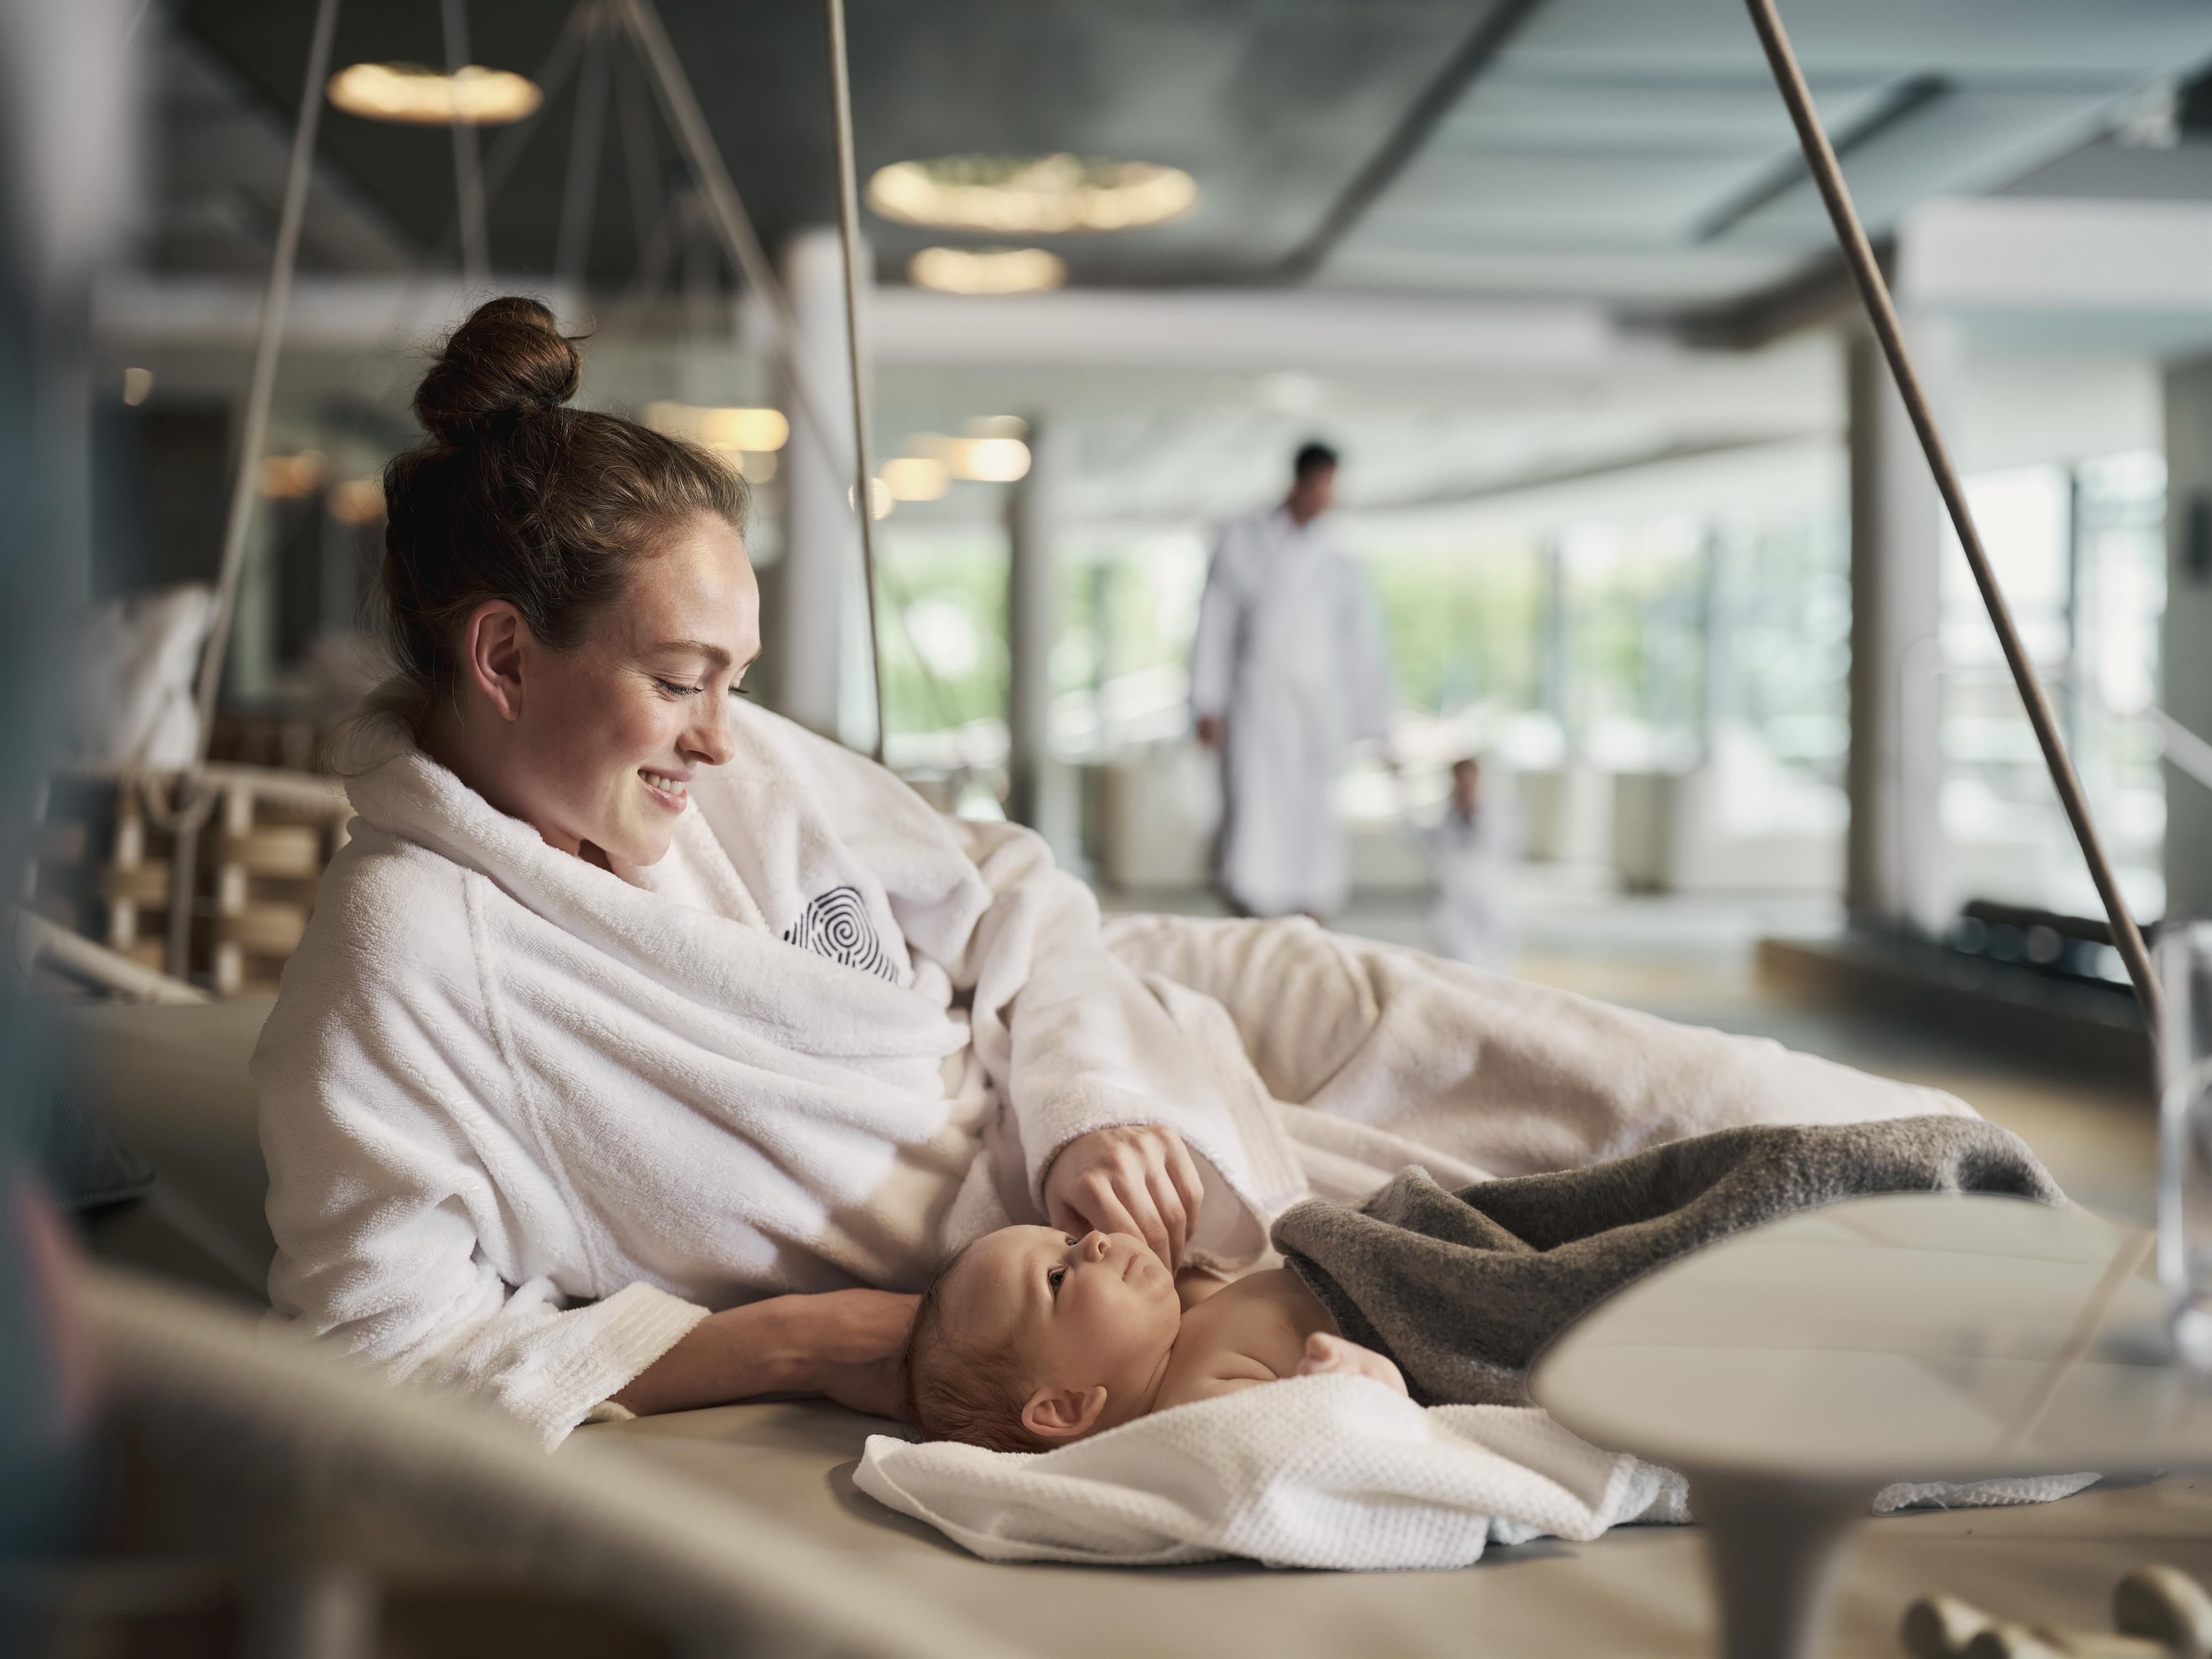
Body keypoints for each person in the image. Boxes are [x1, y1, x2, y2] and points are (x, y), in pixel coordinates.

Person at [253, 297, 1977, 1453]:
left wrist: (1082, 1099)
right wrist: (833, 1340)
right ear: (501, 655)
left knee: (1634, 1076)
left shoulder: (741, 769)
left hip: (1120, 1039)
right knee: (1593, 1232)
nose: (722, 735)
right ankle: (1927, 1250)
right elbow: (377, 1340)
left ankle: (1957, 1184)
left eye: (737, 676)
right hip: (1096, 1254)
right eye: (683, 676)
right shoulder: (410, 962)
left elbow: (1008, 888)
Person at [902, 1224, 1405, 1453]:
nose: (1095, 1240)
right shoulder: (1198, 1407)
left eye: (1070, 1240)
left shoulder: (1184, 1333)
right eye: (1057, 1278)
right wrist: (1358, 1391)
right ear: (1066, 1406)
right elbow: (1333, 1451)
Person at [1188, 442, 1394, 922]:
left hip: (1318, 704)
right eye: (1321, 487)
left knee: (1314, 806)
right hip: (1256, 699)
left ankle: (1311, 906)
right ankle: (1250, 899)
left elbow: (1362, 644)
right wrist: (1206, 702)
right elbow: (1214, 623)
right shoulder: (1243, 540)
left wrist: (1377, 721)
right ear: (1300, 484)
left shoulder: (1340, 560)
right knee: (1254, 801)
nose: (1327, 499)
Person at [1425, 757, 1519, 974]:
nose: (1466, 786)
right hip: (1454, 902)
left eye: (1470, 780)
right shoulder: (1447, 817)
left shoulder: (1498, 814)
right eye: (1461, 780)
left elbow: (1503, 848)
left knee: (1495, 968)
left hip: (1490, 900)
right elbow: (1418, 838)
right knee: (1456, 964)